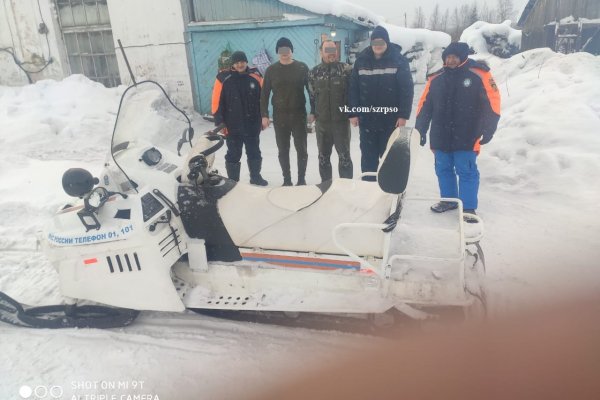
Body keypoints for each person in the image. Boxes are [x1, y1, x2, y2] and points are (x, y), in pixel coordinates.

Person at [415, 42, 500, 217]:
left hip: (468, 133)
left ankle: (468, 208)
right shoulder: (436, 79)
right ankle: (449, 200)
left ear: (462, 57)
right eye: (448, 57)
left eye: (454, 57)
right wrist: (420, 129)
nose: (451, 60)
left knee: (466, 169)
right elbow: (425, 105)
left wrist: (489, 127)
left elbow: (492, 102)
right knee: (443, 168)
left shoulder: (479, 74)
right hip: (440, 133)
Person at [349, 26, 414, 181]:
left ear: (387, 42)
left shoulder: (398, 61)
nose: (378, 45)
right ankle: (369, 188)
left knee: (389, 157)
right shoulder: (361, 61)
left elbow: (406, 90)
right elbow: (353, 88)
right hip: (367, 121)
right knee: (368, 158)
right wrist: (353, 112)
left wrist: (403, 115)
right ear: (371, 43)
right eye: (375, 41)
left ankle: (388, 191)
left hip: (390, 121)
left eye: (381, 41)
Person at [212, 50, 268, 186]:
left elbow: (263, 100)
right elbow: (216, 102)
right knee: (233, 154)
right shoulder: (223, 78)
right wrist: (220, 122)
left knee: (254, 152)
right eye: (237, 62)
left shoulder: (255, 76)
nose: (240, 64)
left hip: (252, 124)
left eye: (242, 61)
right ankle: (233, 181)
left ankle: (255, 177)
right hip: (232, 126)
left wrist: (264, 116)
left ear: (246, 62)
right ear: (233, 64)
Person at [260, 37, 310, 186]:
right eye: (281, 50)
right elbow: (264, 94)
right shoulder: (271, 70)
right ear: (277, 52)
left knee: (301, 149)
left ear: (291, 51)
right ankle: (286, 180)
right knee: (283, 150)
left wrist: (313, 111)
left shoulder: (302, 68)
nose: (284, 53)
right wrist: (264, 115)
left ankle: (301, 179)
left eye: (286, 50)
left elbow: (311, 91)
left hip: (299, 115)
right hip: (280, 116)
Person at [308, 40, 353, 182]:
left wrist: (353, 113)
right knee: (323, 157)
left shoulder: (346, 70)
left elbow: (352, 94)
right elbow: (312, 95)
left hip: (341, 123)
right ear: (321, 52)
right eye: (327, 50)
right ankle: (326, 186)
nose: (331, 54)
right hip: (322, 124)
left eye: (333, 50)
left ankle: (346, 187)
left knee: (344, 157)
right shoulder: (313, 73)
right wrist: (313, 112)